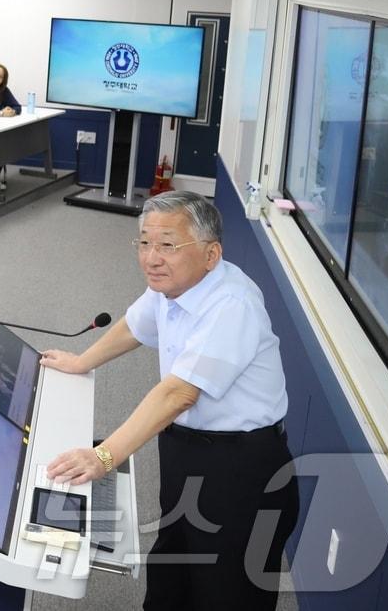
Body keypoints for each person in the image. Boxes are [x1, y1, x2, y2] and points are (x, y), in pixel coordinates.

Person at [42, 191, 297, 611]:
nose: (151, 257)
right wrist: (82, 360)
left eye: (167, 245)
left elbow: (178, 394)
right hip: (185, 451)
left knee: (227, 591)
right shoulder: (170, 286)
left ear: (210, 254)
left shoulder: (231, 303)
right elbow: (134, 326)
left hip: (243, 469)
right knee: (171, 576)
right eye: (144, 242)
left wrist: (104, 457)